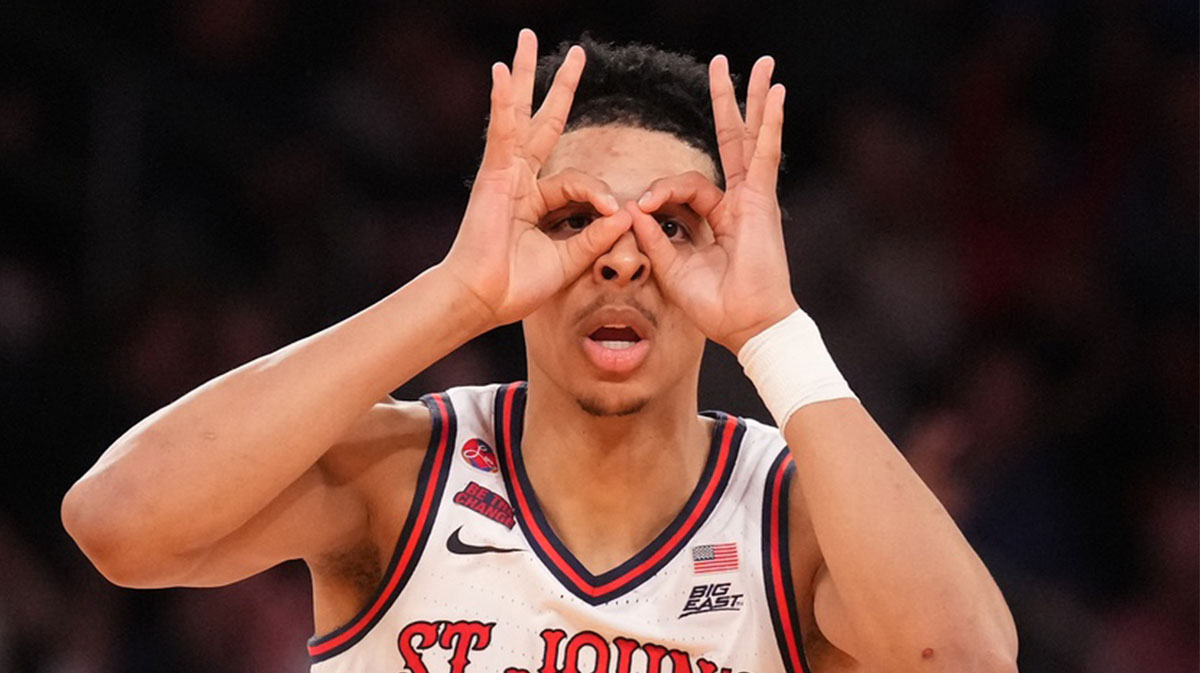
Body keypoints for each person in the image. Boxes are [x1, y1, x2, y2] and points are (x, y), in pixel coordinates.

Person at [62, 30, 1018, 673]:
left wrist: (775, 334)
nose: (620, 262)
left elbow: (967, 661)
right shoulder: (399, 476)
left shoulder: (799, 516)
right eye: (574, 220)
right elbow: (118, 522)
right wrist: (454, 295)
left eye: (675, 227)